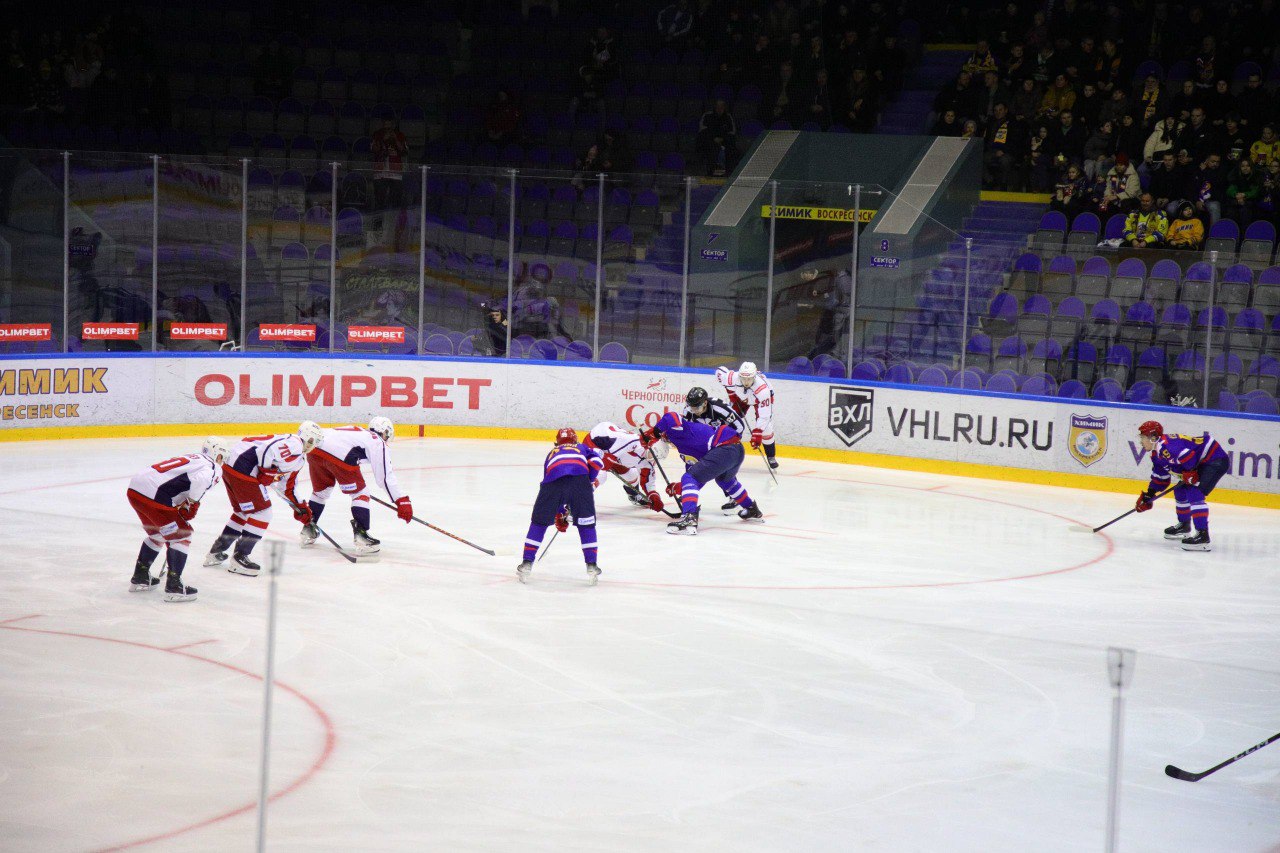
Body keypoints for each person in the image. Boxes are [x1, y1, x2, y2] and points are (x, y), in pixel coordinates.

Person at [205, 422, 324, 576]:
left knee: (242, 512)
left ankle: (216, 551)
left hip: (231, 466)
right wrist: (265, 470)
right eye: (312, 441)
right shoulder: (294, 443)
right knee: (263, 513)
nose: (312, 445)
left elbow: (287, 487)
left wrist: (301, 507)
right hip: (243, 466)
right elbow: (267, 450)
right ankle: (240, 557)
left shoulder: (299, 459)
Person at [127, 437, 228, 602]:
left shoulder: (194, 458)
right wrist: (192, 504)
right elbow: (201, 480)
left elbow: (177, 483)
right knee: (182, 535)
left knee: (158, 534)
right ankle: (174, 586)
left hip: (135, 490)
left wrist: (181, 504)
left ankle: (141, 576)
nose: (222, 462)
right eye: (222, 458)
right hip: (154, 495)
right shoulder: (212, 466)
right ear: (218, 454)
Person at [301, 418, 412, 555]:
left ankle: (308, 528)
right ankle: (361, 536)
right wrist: (401, 500)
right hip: (340, 454)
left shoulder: (359, 433)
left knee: (321, 491)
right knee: (360, 493)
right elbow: (384, 477)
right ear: (385, 433)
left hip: (314, 450)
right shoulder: (377, 441)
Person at [639, 412, 763, 535]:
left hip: (725, 447)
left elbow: (671, 416)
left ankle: (689, 518)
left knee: (689, 477)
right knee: (724, 481)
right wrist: (679, 487)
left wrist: (654, 432)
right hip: (736, 450)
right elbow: (698, 479)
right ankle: (751, 508)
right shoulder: (685, 452)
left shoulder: (678, 429)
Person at [516, 428, 604, 585]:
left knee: (539, 523)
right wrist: (588, 480)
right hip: (580, 481)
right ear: (575, 439)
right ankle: (591, 566)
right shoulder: (582, 447)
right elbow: (597, 463)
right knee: (586, 524)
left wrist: (559, 512)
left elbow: (549, 482)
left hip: (553, 483)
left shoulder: (552, 453)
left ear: (557, 442)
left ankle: (527, 563)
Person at [1134, 420, 1229, 551]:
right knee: (1180, 490)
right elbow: (1160, 477)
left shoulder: (1166, 446)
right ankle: (1184, 525)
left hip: (1215, 458)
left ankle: (1203, 536)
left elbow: (1189, 456)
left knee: (1194, 492)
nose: (1141, 442)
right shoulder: (1156, 454)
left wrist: (1190, 471)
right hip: (1203, 462)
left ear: (1153, 438)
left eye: (1143, 437)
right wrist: (1149, 495)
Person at [584, 421, 666, 513]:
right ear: (650, 448)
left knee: (632, 475)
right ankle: (577, 499)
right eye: (653, 456)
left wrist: (654, 497)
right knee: (601, 475)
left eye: (656, 458)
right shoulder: (632, 442)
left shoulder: (648, 460)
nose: (653, 460)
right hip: (595, 442)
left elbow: (648, 481)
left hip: (615, 455)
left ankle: (634, 496)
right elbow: (607, 457)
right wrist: (606, 462)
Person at [717, 361, 778, 469]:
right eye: (743, 378)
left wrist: (758, 431)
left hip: (759, 400)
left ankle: (771, 456)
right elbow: (720, 370)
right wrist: (731, 393)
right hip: (741, 399)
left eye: (749, 379)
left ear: (754, 377)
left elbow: (765, 415)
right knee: (729, 422)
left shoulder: (763, 389)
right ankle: (723, 452)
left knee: (766, 429)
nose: (746, 382)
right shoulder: (732, 378)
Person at [370, 118, 408, 212]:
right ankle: (378, 220)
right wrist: (382, 139)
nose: (387, 129)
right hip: (380, 172)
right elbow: (373, 150)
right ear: (382, 125)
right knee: (379, 200)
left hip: (395, 172)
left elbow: (404, 151)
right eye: (385, 126)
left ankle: (394, 220)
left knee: (396, 201)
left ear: (393, 125)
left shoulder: (400, 135)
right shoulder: (377, 134)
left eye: (389, 127)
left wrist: (395, 139)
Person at [696, 98, 738, 176]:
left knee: (731, 149)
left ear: (724, 107)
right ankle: (710, 172)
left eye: (722, 106)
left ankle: (727, 173)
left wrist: (722, 139)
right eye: (718, 106)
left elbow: (732, 132)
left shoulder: (728, 117)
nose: (719, 108)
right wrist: (713, 138)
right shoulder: (707, 115)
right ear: (715, 106)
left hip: (724, 141)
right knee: (710, 148)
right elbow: (702, 130)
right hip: (710, 141)